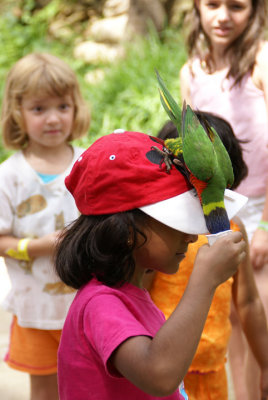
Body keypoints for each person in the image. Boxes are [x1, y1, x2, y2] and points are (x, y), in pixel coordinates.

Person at [54, 129, 247, 400]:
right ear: (126, 229)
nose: (191, 236)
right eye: (177, 223)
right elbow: (159, 375)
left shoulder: (129, 294)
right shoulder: (100, 304)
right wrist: (204, 281)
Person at [144, 115, 268, 400]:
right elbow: (139, 296)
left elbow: (248, 302)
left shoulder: (234, 230)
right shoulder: (159, 236)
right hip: (165, 375)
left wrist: (265, 364)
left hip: (213, 373)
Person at [179, 1, 268, 398]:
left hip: (261, 208)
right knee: (228, 319)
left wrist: (265, 225)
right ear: (197, 8)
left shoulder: (261, 63)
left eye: (236, 6)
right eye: (212, 4)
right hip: (215, 209)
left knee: (258, 320)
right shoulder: (192, 72)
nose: (223, 16)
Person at [0, 52, 90, 400]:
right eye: (39, 109)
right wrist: (37, 246)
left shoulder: (88, 163)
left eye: (63, 107)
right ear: (17, 113)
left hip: (85, 307)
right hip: (34, 310)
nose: (53, 119)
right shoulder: (10, 175)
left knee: (88, 387)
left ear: (75, 108)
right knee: (45, 391)